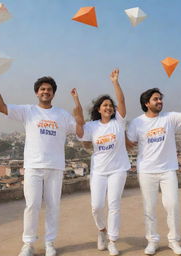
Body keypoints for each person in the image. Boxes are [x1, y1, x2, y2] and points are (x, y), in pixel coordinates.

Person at [0, 71, 84, 256]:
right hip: (33, 166)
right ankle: (28, 244)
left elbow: (79, 131)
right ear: (37, 92)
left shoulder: (62, 115)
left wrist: (77, 105)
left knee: (53, 206)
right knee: (32, 205)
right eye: (42, 89)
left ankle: (50, 242)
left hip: (55, 167)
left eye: (49, 89)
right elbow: (1, 107)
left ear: (53, 93)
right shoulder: (28, 111)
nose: (45, 92)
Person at [127, 87, 181, 255]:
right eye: (155, 99)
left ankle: (173, 240)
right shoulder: (137, 122)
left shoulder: (169, 118)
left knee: (172, 205)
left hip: (168, 170)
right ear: (147, 103)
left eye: (160, 98)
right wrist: (119, 130)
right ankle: (152, 241)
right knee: (149, 208)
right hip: (147, 171)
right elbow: (130, 143)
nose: (159, 101)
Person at [77, 69, 131, 256]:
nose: (108, 107)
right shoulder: (92, 126)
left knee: (114, 204)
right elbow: (84, 140)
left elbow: (122, 102)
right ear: (98, 109)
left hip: (118, 170)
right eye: (104, 105)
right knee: (97, 206)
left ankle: (113, 241)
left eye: (110, 105)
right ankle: (102, 231)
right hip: (99, 171)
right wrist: (76, 105)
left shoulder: (119, 123)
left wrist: (115, 82)